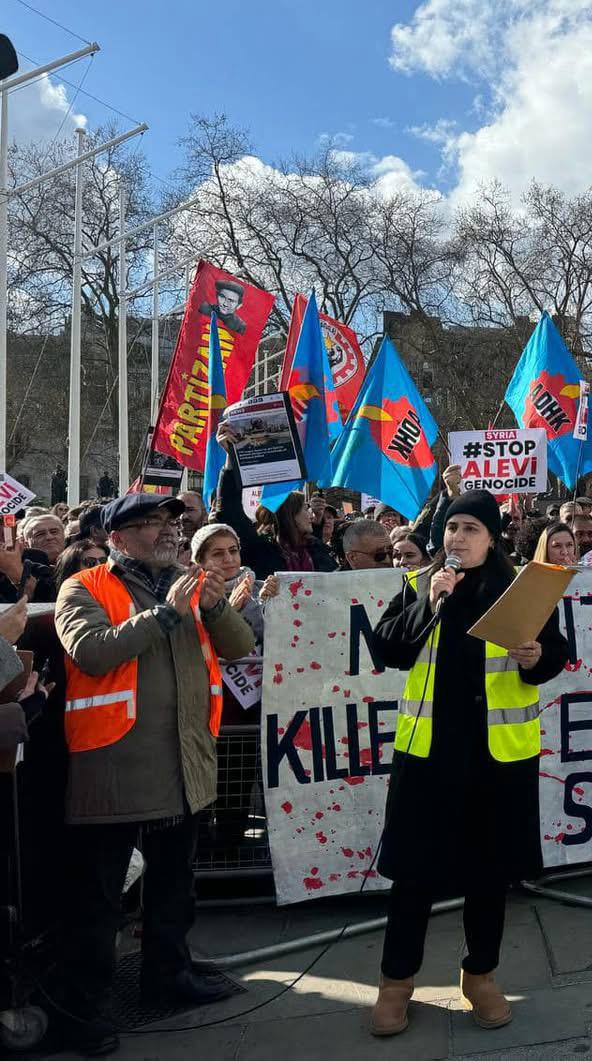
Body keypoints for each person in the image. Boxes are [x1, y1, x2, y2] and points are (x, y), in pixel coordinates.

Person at [51, 494, 256, 1054]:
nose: (168, 529)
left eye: (171, 520)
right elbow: (90, 653)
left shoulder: (188, 582)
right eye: (151, 522)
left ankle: (170, 975)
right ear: (118, 538)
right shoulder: (85, 586)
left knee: (174, 885)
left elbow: (241, 646)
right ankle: (81, 1009)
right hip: (115, 764)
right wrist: (166, 611)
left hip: (183, 760)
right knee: (98, 899)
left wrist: (214, 608)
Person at [367, 491, 567, 1037]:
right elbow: (387, 650)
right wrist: (430, 605)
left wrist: (537, 657)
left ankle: (480, 974)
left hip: (497, 758)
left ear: (492, 536)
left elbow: (555, 652)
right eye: (452, 526)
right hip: (429, 755)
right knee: (413, 873)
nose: (457, 537)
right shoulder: (418, 584)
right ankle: (396, 982)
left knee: (490, 871)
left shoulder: (521, 589)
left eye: (471, 528)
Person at [211, 427, 337, 577]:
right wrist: (232, 457)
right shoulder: (261, 551)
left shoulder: (316, 549)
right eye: (305, 509)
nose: (310, 515)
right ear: (289, 515)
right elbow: (230, 512)